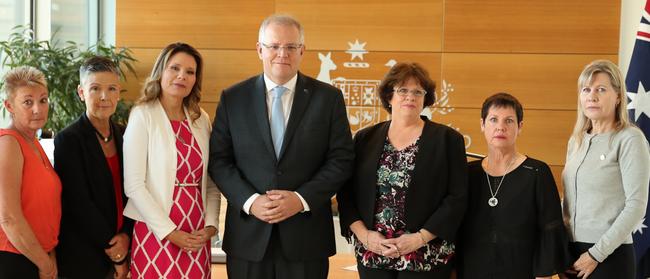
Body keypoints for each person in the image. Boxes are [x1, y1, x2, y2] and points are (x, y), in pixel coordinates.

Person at [208, 14, 354, 279]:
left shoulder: (328, 98)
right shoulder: (233, 98)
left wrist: (300, 200)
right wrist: (251, 202)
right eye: (274, 46)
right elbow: (219, 160)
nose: (282, 54)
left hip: (306, 239)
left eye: (290, 47)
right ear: (259, 49)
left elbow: (341, 160)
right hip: (248, 237)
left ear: (302, 51)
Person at [336, 62, 468, 279]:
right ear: (389, 96)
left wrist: (419, 238)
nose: (411, 97)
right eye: (403, 90)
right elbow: (346, 193)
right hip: (374, 250)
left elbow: (457, 197)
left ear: (426, 99)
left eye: (418, 92)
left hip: (425, 253)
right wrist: (365, 236)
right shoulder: (364, 139)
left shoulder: (447, 140)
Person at [122, 42, 221, 279]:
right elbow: (134, 185)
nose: (181, 76)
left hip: (197, 230)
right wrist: (169, 232)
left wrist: (211, 226)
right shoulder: (142, 115)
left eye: (190, 72)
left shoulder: (201, 118)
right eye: (174, 68)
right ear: (160, 71)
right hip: (157, 229)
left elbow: (210, 179)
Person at [456, 93, 572, 279]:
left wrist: (544, 275)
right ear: (482, 125)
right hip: (472, 270)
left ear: (520, 127)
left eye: (508, 121)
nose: (500, 127)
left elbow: (550, 228)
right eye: (493, 120)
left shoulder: (537, 172)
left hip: (522, 270)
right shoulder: (468, 173)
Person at [562, 60, 650, 279]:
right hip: (571, 255)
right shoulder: (577, 141)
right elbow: (569, 201)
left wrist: (595, 254)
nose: (592, 96)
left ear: (618, 96)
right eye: (586, 90)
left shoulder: (630, 138)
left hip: (609, 256)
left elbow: (636, 206)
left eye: (601, 89)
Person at [53, 56, 134, 279]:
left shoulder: (126, 134)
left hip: (125, 245)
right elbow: (79, 203)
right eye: (95, 88)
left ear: (118, 93)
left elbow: (134, 190)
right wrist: (116, 254)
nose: (104, 96)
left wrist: (127, 236)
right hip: (83, 255)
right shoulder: (68, 140)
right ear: (81, 92)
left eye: (111, 89)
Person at [0, 66, 61, 279]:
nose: (38, 108)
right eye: (28, 102)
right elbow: (8, 218)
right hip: (14, 258)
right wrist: (44, 263)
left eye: (43, 100)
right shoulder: (8, 142)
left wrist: (49, 253)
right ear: (9, 106)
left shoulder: (34, 142)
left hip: (36, 256)